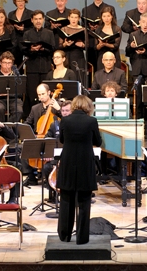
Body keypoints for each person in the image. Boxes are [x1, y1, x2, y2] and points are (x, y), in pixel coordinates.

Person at [55, 95, 103, 244]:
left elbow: (62, 140)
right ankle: (82, 238)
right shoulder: (92, 121)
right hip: (85, 163)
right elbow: (98, 141)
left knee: (66, 200)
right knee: (84, 201)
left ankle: (65, 236)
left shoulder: (65, 120)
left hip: (68, 162)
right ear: (88, 106)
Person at [23, 10, 58, 120]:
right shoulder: (27, 33)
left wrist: (43, 48)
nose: (38, 21)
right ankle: (32, 119)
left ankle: (47, 118)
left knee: (46, 94)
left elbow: (53, 49)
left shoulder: (49, 33)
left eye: (40, 19)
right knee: (32, 95)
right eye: (36, 19)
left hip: (45, 67)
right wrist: (31, 49)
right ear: (32, 20)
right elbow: (23, 49)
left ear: (43, 20)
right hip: (32, 67)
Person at [89, 6, 122, 70]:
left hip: (114, 56)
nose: (106, 18)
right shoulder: (98, 29)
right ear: (101, 17)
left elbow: (116, 45)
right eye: (104, 16)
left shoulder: (117, 29)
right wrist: (100, 45)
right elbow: (96, 47)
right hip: (102, 57)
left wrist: (105, 44)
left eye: (108, 16)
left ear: (112, 16)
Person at [58, 8, 88, 73]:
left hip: (78, 56)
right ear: (68, 18)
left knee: (78, 75)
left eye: (76, 17)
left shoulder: (83, 30)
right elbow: (59, 46)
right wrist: (65, 44)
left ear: (79, 18)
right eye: (72, 17)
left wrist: (82, 45)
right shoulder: (64, 29)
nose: (73, 19)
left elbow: (88, 45)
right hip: (66, 55)